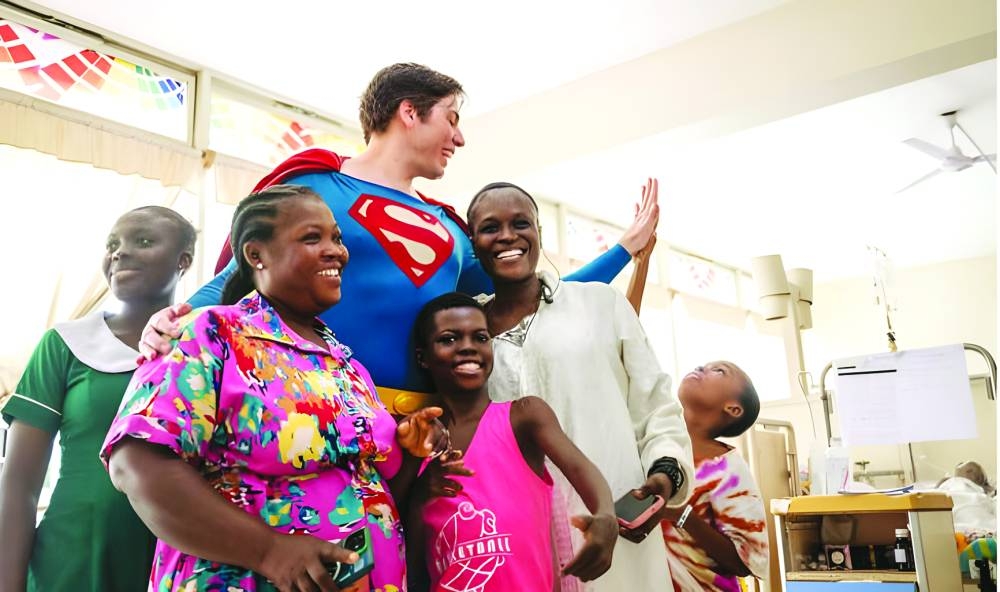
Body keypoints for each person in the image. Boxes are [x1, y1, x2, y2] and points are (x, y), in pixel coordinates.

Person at [140, 63, 658, 398]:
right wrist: (175, 319)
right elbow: (237, 277)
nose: (459, 137)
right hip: (304, 404)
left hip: (421, 426)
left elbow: (531, 296)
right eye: (450, 118)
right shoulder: (315, 184)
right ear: (409, 112)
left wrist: (625, 249)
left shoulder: (452, 231)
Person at [100, 185, 444, 592]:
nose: (336, 250)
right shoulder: (211, 333)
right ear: (255, 254)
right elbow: (137, 464)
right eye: (312, 238)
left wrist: (411, 451)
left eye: (336, 237)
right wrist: (270, 551)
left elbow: (368, 488)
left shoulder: (346, 363)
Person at [464, 181, 693, 591]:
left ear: (538, 232)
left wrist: (663, 477)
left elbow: (657, 407)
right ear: (472, 241)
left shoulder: (600, 305)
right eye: (490, 227)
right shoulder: (466, 335)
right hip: (515, 544)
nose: (508, 237)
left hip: (617, 535)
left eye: (521, 223)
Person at [0, 206, 195, 592]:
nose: (120, 253)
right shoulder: (67, 344)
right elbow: (19, 483)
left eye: (143, 241)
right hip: (72, 563)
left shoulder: (204, 349)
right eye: (112, 245)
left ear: (183, 261)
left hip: (177, 560)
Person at [407, 292, 618, 590]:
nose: (467, 347)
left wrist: (606, 516)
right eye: (449, 339)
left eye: (480, 337)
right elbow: (410, 555)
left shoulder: (524, 416)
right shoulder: (417, 438)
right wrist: (419, 493)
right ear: (423, 357)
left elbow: (581, 469)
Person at [661, 361, 768, 591]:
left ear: (733, 409)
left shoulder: (729, 471)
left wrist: (682, 515)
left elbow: (746, 562)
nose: (701, 367)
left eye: (719, 371)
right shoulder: (656, 446)